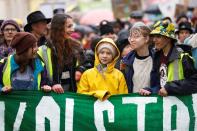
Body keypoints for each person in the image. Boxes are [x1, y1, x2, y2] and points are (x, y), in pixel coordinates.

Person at [139, 21, 197, 96]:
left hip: (180, 105)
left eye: (158, 37)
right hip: (164, 105)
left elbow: (194, 82)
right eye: (154, 36)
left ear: (168, 38)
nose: (154, 40)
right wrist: (150, 90)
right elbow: (158, 85)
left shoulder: (183, 56)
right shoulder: (157, 57)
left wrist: (170, 88)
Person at [38, 14, 86, 93]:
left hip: (74, 93)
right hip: (52, 96)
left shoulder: (77, 46)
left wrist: (80, 70)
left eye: (72, 26)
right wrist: (52, 84)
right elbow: (40, 75)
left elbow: (86, 63)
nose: (73, 30)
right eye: (69, 26)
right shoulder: (42, 51)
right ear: (58, 28)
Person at [121, 22, 152, 93]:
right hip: (133, 102)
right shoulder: (126, 61)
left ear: (146, 38)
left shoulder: (157, 59)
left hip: (154, 102)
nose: (132, 40)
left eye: (136, 36)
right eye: (131, 37)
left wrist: (151, 90)